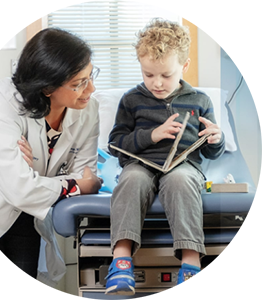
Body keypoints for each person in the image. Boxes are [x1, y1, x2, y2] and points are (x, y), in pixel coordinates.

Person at [0, 27, 102, 300]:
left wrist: (32, 174)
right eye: (79, 83)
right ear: (47, 87)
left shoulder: (89, 111)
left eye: (91, 76)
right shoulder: (3, 103)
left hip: (27, 217)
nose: (91, 90)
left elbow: (88, 174)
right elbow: (23, 188)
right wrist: (74, 184)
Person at [105, 18, 225, 296]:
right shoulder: (131, 100)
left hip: (183, 166)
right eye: (148, 75)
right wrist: (152, 135)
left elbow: (210, 152)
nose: (157, 83)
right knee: (132, 178)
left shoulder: (200, 100)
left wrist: (216, 140)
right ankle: (121, 261)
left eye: (166, 75)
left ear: (184, 66)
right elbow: (115, 144)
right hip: (141, 165)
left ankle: (191, 263)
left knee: (182, 180)